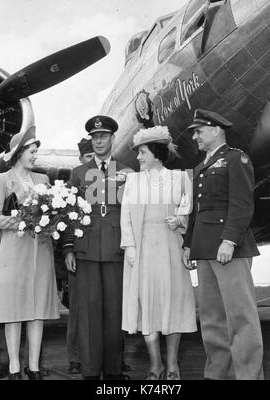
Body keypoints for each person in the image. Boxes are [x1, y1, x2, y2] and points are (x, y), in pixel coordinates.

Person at [182, 109, 263, 380]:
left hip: (230, 249)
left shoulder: (235, 159)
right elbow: (197, 210)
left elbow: (242, 204)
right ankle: (218, 374)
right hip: (205, 249)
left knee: (241, 318)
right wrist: (187, 245)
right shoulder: (200, 167)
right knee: (212, 319)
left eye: (199, 131)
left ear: (216, 130)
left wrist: (229, 240)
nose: (195, 137)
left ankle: (248, 375)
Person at [121, 125, 197, 380]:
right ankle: (155, 365)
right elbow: (126, 219)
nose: (139, 158)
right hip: (142, 250)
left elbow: (188, 211)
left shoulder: (180, 178)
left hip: (170, 248)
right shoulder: (133, 181)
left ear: (155, 153)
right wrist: (130, 247)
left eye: (142, 153)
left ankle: (173, 364)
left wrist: (179, 221)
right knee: (147, 305)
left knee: (172, 303)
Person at [63, 115, 132, 380]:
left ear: (113, 139)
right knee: (89, 312)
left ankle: (114, 371)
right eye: (95, 137)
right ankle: (91, 372)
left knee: (115, 312)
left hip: (116, 248)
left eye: (103, 136)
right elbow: (68, 212)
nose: (99, 140)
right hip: (86, 248)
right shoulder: (79, 173)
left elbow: (132, 211)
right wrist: (68, 247)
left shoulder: (127, 170)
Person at [0, 126, 60, 380]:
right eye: (31, 151)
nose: (35, 156)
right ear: (19, 153)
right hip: (14, 251)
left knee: (37, 309)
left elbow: (53, 212)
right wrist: (20, 219)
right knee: (14, 310)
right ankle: (14, 369)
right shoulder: (1, 180)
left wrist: (53, 218)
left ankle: (34, 368)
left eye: (36, 151)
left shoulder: (43, 180)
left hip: (40, 251)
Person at [65, 137, 94, 375]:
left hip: (105, 249)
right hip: (81, 248)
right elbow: (66, 216)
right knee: (77, 307)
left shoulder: (113, 175)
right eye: (88, 157)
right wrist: (69, 249)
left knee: (110, 304)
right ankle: (75, 356)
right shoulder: (75, 179)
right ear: (80, 160)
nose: (93, 161)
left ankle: (110, 355)